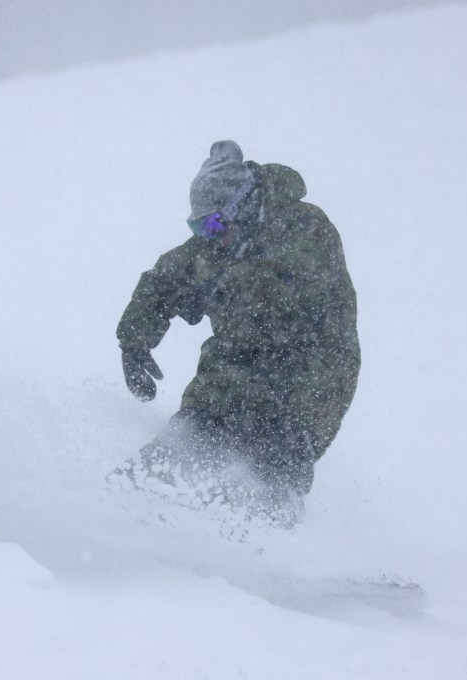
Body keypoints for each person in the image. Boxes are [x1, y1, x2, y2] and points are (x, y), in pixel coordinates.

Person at [114, 141, 360, 518]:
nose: (208, 235)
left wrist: (216, 282)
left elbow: (278, 291)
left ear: (241, 205)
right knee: (173, 453)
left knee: (265, 474)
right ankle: (125, 511)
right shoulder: (222, 243)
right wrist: (134, 341)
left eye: (212, 223)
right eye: (199, 226)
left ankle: (271, 552)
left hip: (305, 382)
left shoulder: (306, 227)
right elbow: (164, 281)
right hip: (228, 378)